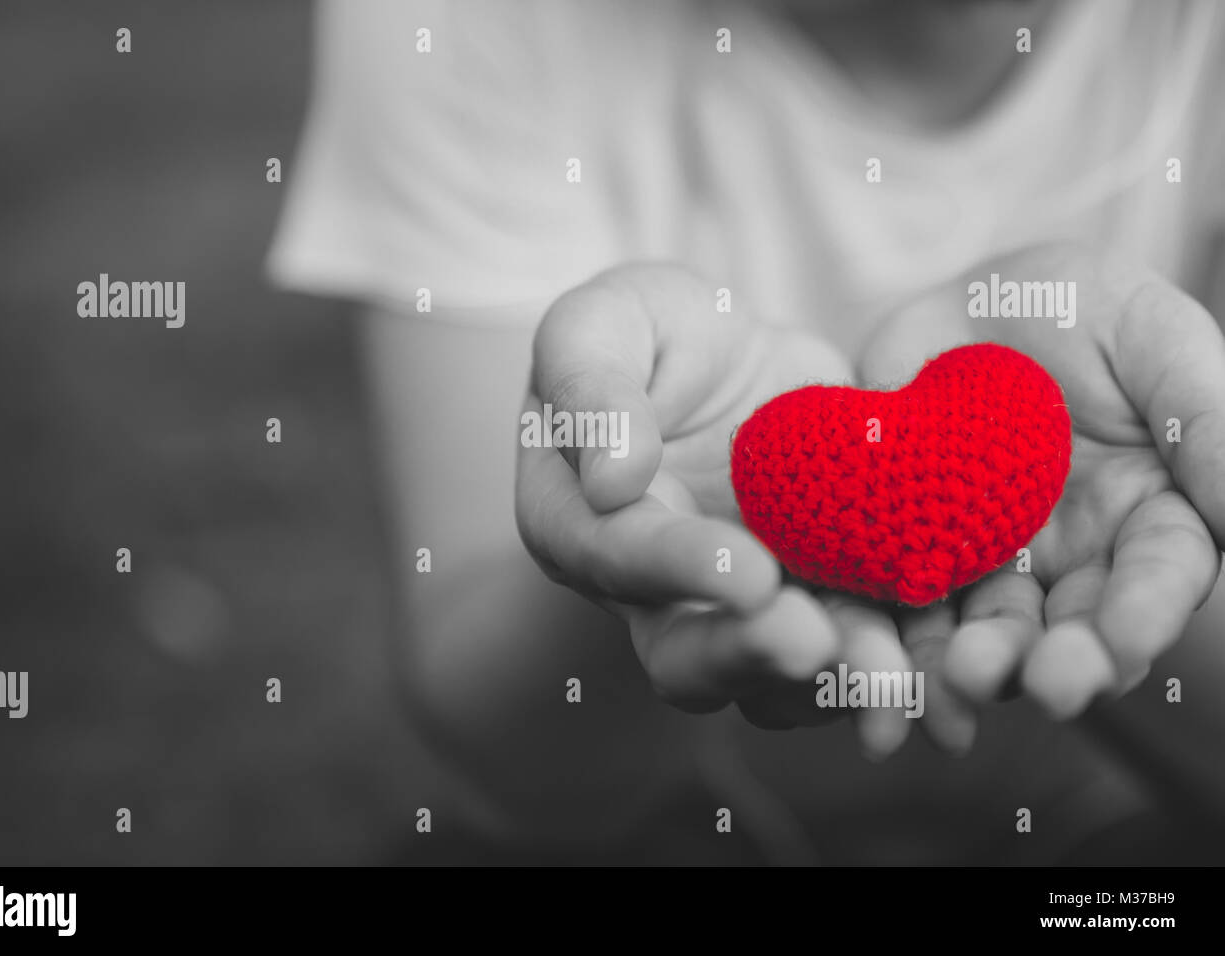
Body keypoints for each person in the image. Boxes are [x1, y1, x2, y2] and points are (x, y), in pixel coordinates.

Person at [268, 0, 1225, 863]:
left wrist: (1159, 526)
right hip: (657, 813)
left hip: (1118, 794)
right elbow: (504, 739)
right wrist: (632, 555)